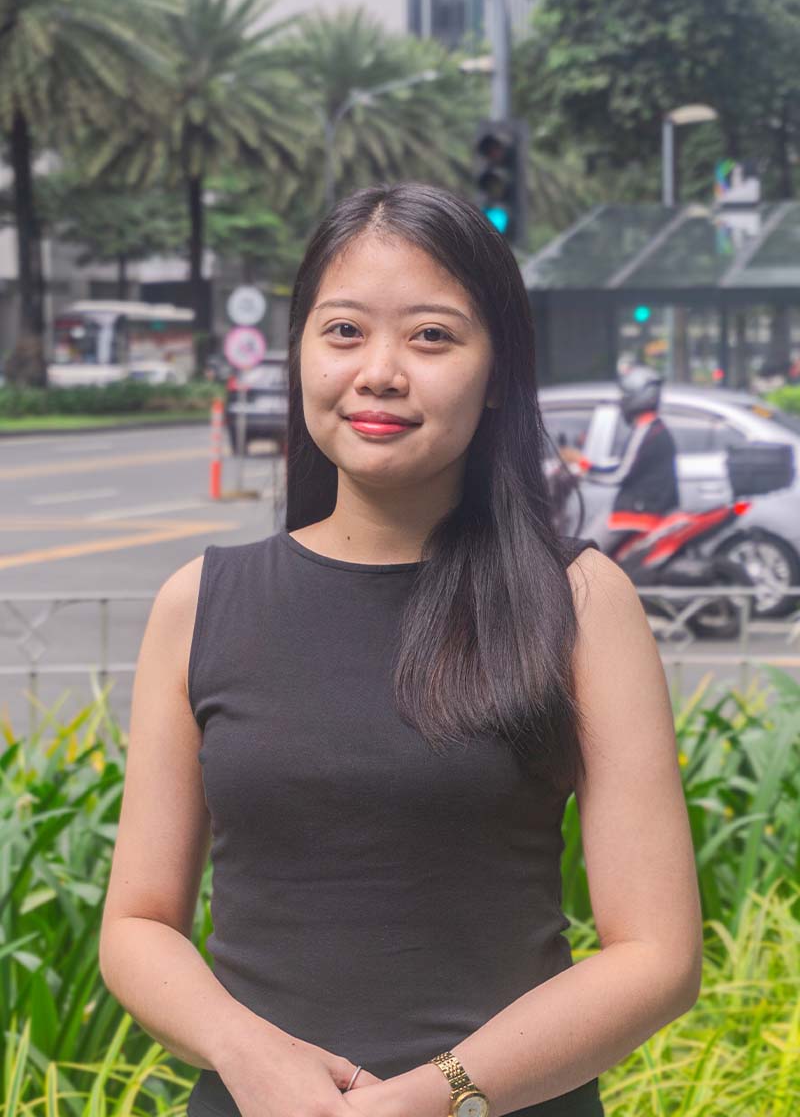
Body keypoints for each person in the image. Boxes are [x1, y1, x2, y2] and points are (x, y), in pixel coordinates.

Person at [98, 183, 702, 1117]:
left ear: (496, 372)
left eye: (431, 336)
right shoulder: (201, 603)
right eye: (344, 331)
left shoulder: (578, 601)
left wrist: (436, 1094)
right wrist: (249, 1053)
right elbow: (137, 924)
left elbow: (657, 955)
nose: (380, 372)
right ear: (300, 351)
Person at [581, 366, 680, 556]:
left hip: (638, 511)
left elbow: (619, 475)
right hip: (651, 507)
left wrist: (586, 472)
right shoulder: (656, 427)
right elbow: (627, 466)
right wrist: (592, 468)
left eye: (625, 395)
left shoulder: (644, 429)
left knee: (585, 553)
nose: (622, 400)